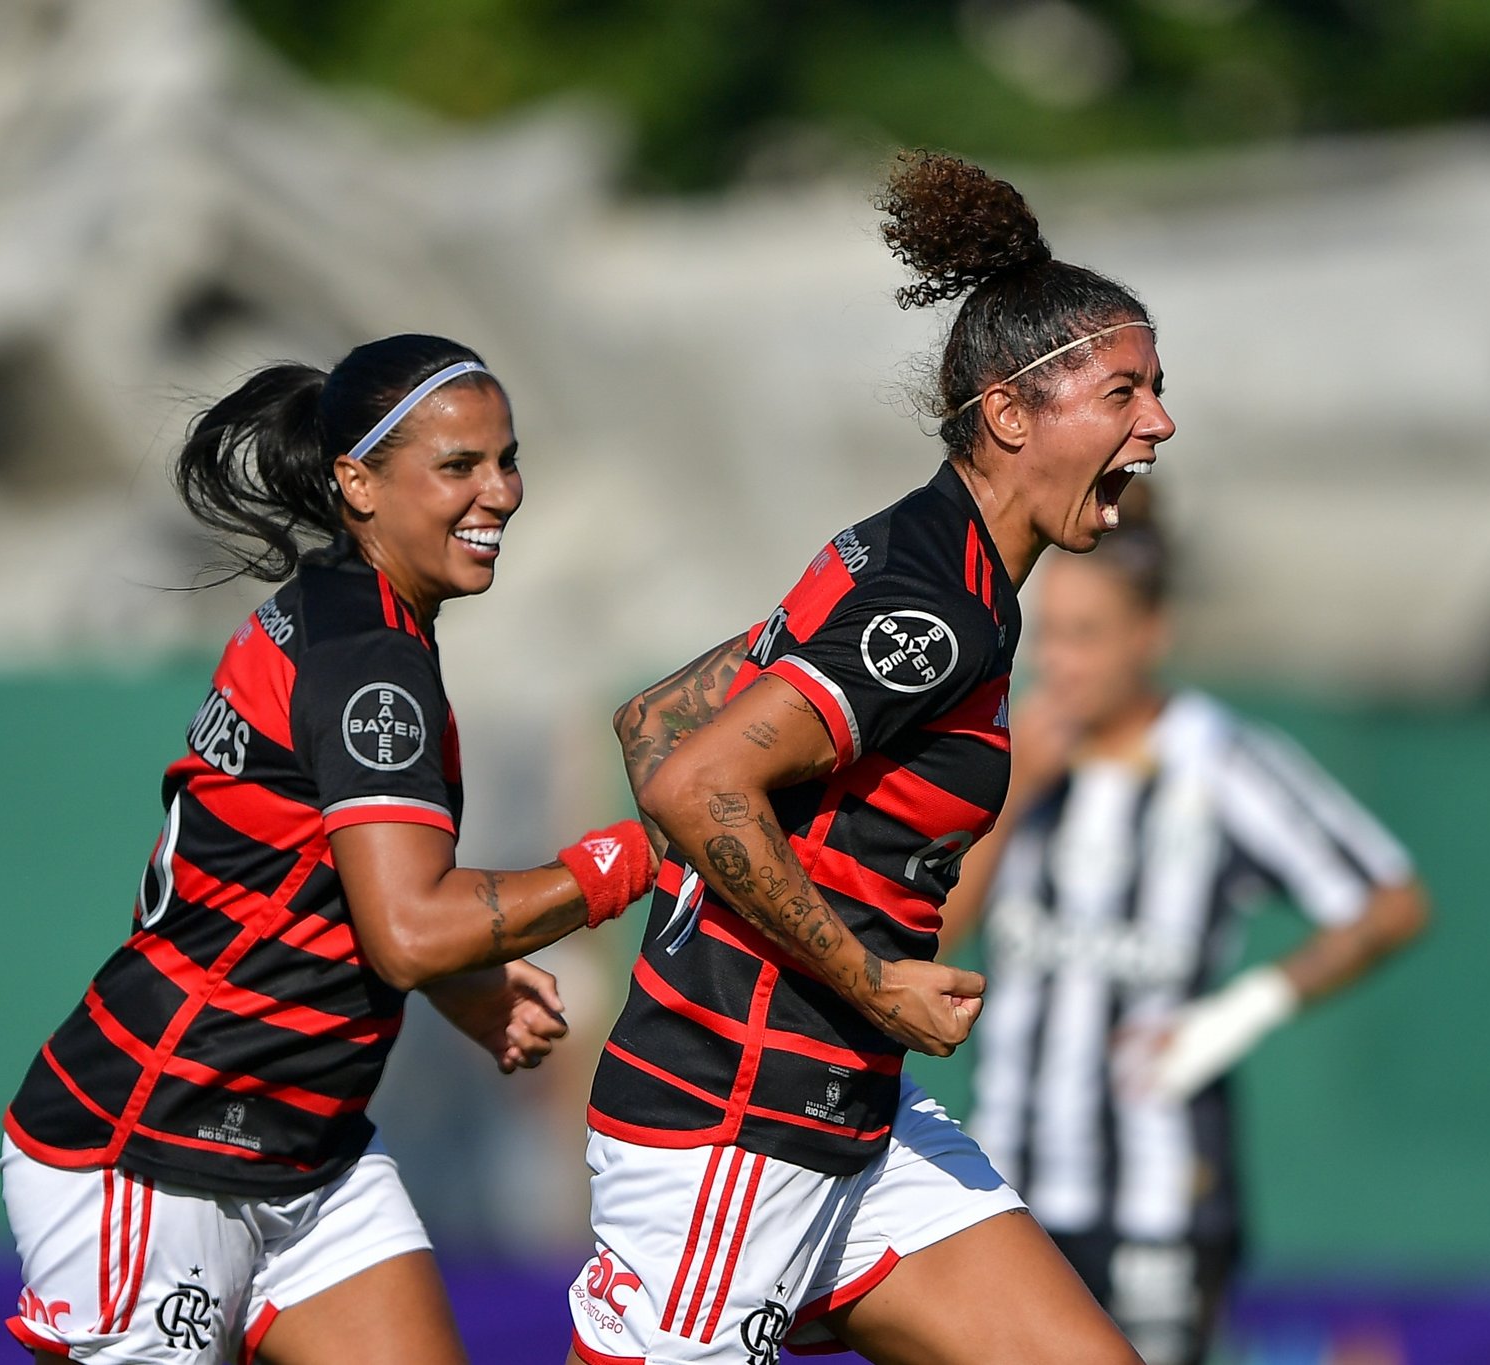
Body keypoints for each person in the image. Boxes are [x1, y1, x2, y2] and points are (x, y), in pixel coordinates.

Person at [568, 150, 1172, 1365]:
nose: (1157, 423)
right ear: (1009, 414)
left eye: (1154, 390)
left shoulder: (907, 555)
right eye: (1122, 394)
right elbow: (695, 778)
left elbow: (654, 721)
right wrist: (871, 976)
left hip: (850, 1119)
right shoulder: (933, 610)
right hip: (729, 1123)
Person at [1, 333, 657, 1365]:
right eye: (458, 467)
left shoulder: (349, 618)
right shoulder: (368, 662)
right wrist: (632, 856)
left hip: (307, 1152)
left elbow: (320, 872)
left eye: (506, 459)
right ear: (357, 481)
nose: (501, 493)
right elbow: (404, 930)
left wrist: (469, 981)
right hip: (154, 1141)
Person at [941, 495, 1430, 1365]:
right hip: (1006, 1189)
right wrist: (1015, 792)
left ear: (1149, 634)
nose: (1060, 663)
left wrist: (1238, 1014)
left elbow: (1389, 901)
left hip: (1160, 1195)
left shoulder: (1223, 762)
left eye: (1086, 636)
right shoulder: (1006, 750)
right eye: (1048, 635)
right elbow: (936, 935)